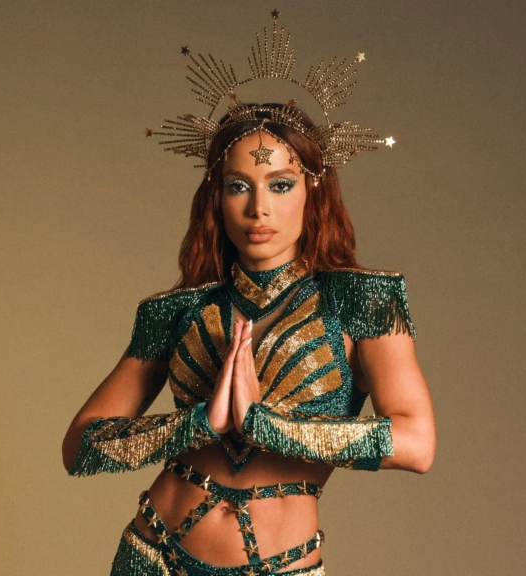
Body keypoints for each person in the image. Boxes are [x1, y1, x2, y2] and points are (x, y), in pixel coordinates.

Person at [62, 11, 436, 576]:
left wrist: (267, 426)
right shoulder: (178, 310)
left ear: (313, 192)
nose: (259, 208)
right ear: (216, 197)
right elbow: (81, 447)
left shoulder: (360, 302)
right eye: (239, 186)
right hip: (152, 555)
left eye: (280, 185)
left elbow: (416, 443)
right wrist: (197, 425)